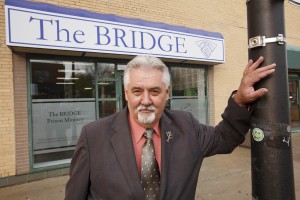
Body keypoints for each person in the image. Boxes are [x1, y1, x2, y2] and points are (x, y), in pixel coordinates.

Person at [65, 55, 276, 200]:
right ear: (126, 92)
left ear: (167, 93)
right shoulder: (93, 137)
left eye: (155, 91)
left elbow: (226, 137)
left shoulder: (186, 127)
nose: (145, 100)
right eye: (137, 91)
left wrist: (239, 100)